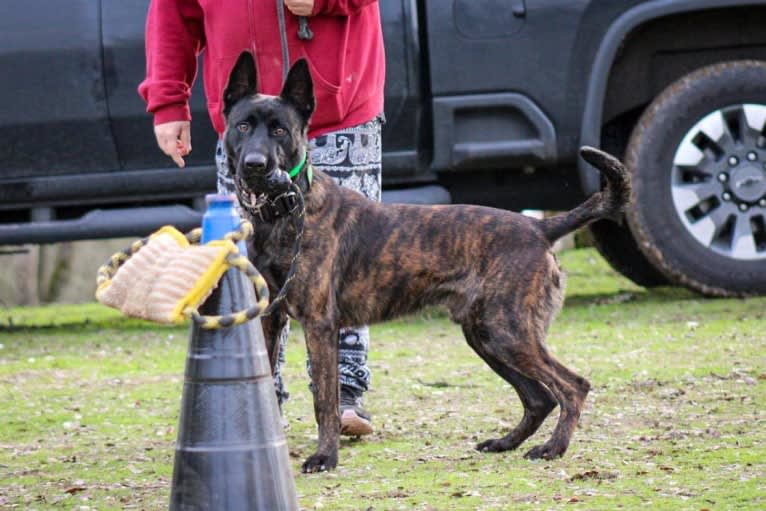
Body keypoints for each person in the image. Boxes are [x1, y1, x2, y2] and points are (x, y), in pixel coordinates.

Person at [138, 0, 385, 436]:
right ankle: (258, 395)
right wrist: (168, 101)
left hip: (338, 115)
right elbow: (172, 13)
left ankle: (347, 393)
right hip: (243, 128)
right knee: (250, 270)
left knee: (347, 265)